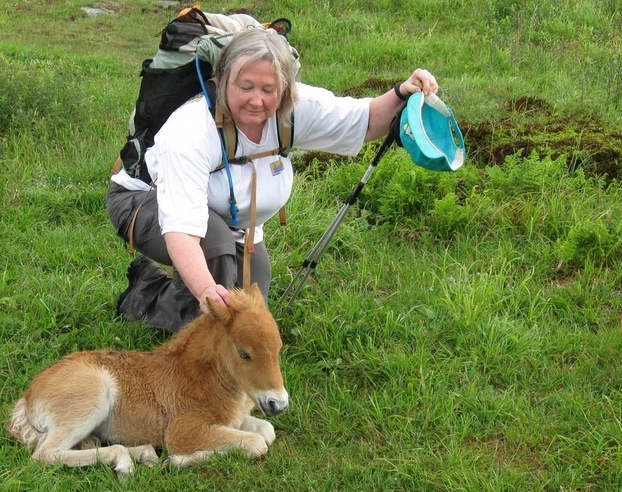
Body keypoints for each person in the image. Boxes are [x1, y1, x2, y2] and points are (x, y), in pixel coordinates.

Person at [107, 27, 438, 332]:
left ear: (285, 89)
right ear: (222, 81)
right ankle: (210, 357)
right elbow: (181, 230)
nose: (257, 100)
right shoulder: (190, 131)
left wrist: (399, 92)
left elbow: (365, 123)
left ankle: (146, 294)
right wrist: (208, 292)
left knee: (253, 302)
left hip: (229, 218)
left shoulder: (293, 109)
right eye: (245, 86)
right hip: (143, 201)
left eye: (269, 89)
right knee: (217, 255)